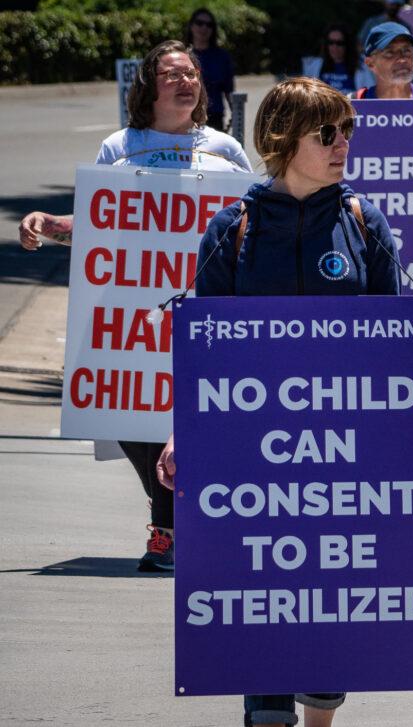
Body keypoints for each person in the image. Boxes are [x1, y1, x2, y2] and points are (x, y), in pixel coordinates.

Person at [155, 76, 413, 727]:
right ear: (282, 138)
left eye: (347, 130)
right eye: (327, 133)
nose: (343, 145)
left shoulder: (363, 222)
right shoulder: (233, 227)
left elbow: (397, 341)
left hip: (342, 456)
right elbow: (202, 344)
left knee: (329, 610)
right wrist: (181, 431)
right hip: (253, 458)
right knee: (260, 604)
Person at [17, 40, 251, 573]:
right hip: (130, 309)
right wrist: (52, 225)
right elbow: (100, 221)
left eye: (191, 73)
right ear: (148, 86)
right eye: (172, 74)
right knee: (127, 405)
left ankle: (166, 527)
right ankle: (171, 509)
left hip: (200, 303)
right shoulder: (119, 147)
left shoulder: (225, 149)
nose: (185, 82)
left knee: (189, 408)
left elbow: (246, 225)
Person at [355, 22, 413, 100]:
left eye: (407, 51)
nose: (402, 59)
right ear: (370, 63)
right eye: (390, 53)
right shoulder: (353, 105)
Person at [185, 8, 235, 132]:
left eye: (209, 25)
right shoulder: (182, 56)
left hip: (214, 118)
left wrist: (236, 114)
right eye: (199, 23)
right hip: (186, 116)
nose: (204, 28)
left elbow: (229, 90)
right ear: (191, 26)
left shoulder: (222, 57)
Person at [312, 24, 360, 95]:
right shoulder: (317, 66)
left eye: (339, 43)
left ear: (347, 45)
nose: (334, 47)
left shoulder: (360, 68)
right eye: (331, 42)